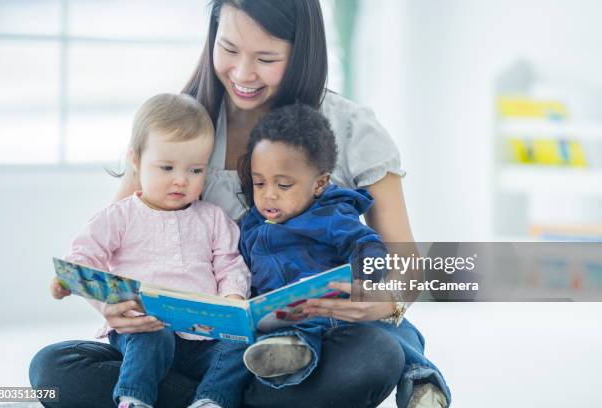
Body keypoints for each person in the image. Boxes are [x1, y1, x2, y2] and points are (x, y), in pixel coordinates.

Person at [30, 1, 451, 407]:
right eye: (228, 49)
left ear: (302, 53)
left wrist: (387, 301)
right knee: (54, 368)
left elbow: (403, 258)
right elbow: (118, 226)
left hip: (295, 347)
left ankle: (213, 398)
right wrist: (112, 307)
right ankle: (224, 399)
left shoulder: (353, 128)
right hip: (182, 344)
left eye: (266, 58)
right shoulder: (181, 125)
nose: (243, 73)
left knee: (376, 353)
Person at [49, 93, 252, 408]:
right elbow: (82, 258)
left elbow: (230, 266)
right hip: (142, 333)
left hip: (204, 339)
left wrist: (233, 299)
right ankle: (135, 399)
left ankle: (211, 400)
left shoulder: (212, 218)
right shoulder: (120, 216)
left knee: (241, 347)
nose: (181, 181)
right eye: (167, 167)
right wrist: (68, 281)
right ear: (136, 160)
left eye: (196, 170)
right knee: (146, 335)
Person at [236, 102, 395, 389]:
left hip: (329, 312)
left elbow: (370, 246)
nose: (269, 195)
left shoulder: (331, 216)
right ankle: (283, 360)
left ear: (319, 184)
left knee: (392, 331)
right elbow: (241, 267)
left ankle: (420, 373)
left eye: (283, 186)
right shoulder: (251, 226)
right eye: (259, 184)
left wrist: (363, 279)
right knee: (254, 342)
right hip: (275, 318)